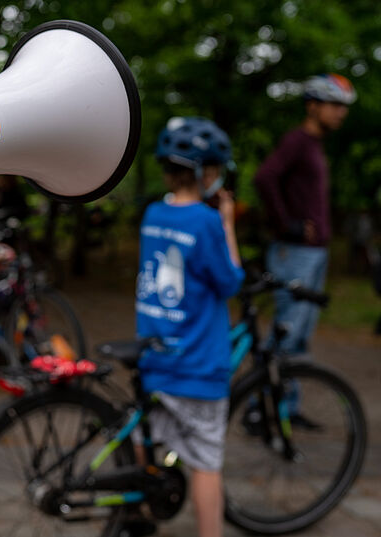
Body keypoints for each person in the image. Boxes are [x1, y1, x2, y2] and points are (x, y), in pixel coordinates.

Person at [133, 117, 244, 537]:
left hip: (157, 356)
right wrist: (228, 222)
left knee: (151, 437)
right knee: (205, 461)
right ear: (206, 172)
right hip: (198, 366)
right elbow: (230, 281)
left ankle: (140, 515)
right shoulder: (206, 221)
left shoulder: (153, 213)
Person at [254, 74, 356, 376]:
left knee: (300, 334)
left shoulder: (314, 144)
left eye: (344, 106)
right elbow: (264, 177)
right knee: (287, 329)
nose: (341, 112)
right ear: (312, 105)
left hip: (313, 252)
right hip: (294, 251)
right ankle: (259, 406)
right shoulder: (297, 140)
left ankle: (288, 407)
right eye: (335, 104)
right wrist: (286, 225)